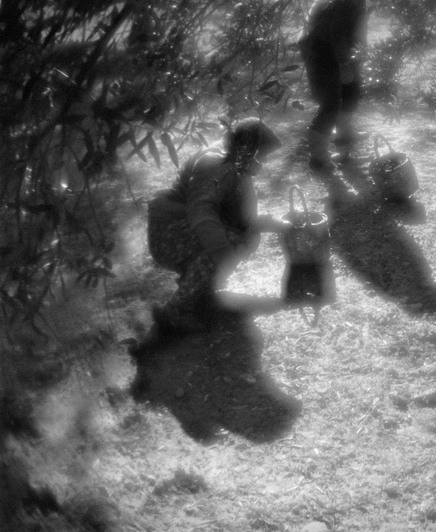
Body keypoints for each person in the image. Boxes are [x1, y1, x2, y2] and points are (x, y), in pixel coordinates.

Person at [146, 117, 289, 332]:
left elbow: (244, 219)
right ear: (249, 151)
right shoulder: (217, 167)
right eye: (262, 157)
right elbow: (202, 217)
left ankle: (199, 288)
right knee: (231, 241)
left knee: (238, 236)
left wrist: (281, 225)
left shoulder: (233, 164)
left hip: (180, 230)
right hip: (168, 236)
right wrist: (224, 258)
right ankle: (175, 310)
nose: (263, 164)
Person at [299, 0, 369, 170]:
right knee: (331, 104)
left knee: (349, 94)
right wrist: (344, 64)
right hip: (323, 53)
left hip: (336, 49)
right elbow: (336, 32)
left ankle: (345, 149)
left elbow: (353, 28)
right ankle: (318, 158)